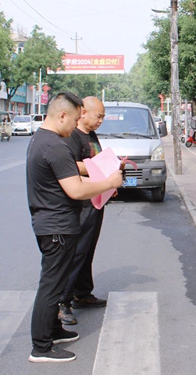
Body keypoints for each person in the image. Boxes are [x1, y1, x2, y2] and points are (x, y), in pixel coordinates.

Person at [26, 92, 123, 363]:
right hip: (56, 225)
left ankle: (54, 331)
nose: (76, 126)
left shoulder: (41, 139)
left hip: (54, 222)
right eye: (75, 119)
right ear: (62, 115)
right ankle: (41, 347)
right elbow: (76, 190)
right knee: (51, 286)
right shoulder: (55, 146)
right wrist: (110, 182)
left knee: (56, 284)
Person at [58, 97, 109, 326]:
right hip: (81, 203)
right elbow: (71, 165)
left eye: (102, 117)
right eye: (98, 116)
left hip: (96, 199)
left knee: (88, 250)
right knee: (76, 252)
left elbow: (94, 160)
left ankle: (82, 293)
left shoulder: (90, 135)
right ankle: (62, 302)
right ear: (83, 112)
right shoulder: (73, 136)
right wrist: (98, 166)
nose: (100, 121)